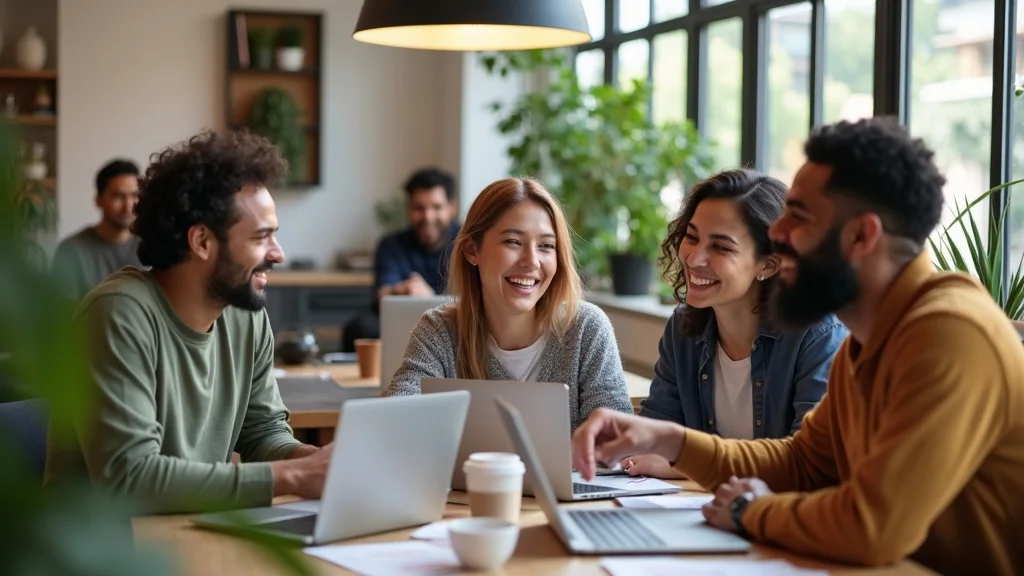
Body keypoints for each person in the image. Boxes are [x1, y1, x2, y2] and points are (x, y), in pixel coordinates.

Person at [571, 118, 1024, 575]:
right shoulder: (868, 341)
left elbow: (873, 527)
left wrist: (749, 512)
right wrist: (668, 438)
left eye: (799, 216)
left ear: (861, 237)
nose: (778, 232)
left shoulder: (947, 333)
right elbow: (803, 462)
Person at [44, 130, 331, 514]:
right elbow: (130, 479)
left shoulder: (248, 316)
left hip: (186, 529)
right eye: (261, 238)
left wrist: (311, 460)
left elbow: (261, 431)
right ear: (201, 241)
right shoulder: (118, 314)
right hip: (98, 551)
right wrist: (292, 477)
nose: (277, 254)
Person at [627, 169, 846, 480]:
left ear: (768, 265)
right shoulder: (683, 328)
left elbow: (812, 464)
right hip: (698, 512)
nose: (693, 259)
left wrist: (689, 465)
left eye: (721, 247)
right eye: (692, 237)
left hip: (778, 519)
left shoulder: (817, 335)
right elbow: (657, 440)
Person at [383, 177, 633, 430]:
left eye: (546, 246)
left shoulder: (586, 328)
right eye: (513, 242)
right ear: (471, 250)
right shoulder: (439, 330)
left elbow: (617, 438)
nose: (531, 261)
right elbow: (397, 419)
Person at [340, 167, 460, 351]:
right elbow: (382, 293)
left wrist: (432, 300)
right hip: (402, 320)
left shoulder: (467, 243)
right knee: (359, 327)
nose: (428, 217)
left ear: (451, 208)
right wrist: (402, 290)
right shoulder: (392, 244)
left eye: (436, 207)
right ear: (409, 208)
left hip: (453, 321)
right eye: (419, 208)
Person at [51, 159, 144, 299]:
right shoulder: (71, 251)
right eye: (118, 196)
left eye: (134, 195)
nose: (128, 206)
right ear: (98, 200)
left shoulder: (150, 246)